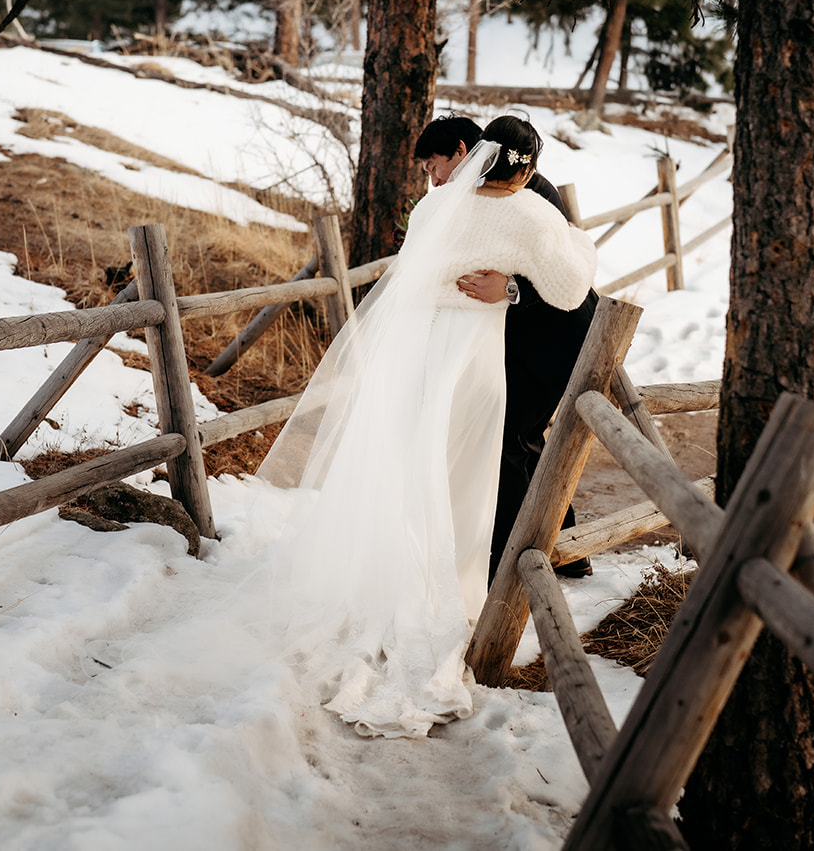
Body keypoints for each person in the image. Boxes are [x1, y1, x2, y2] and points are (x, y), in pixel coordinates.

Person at [255, 127, 596, 738]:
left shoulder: (433, 205)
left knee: (411, 469)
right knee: (463, 476)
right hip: (473, 360)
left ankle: (388, 586)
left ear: (481, 154)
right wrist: (578, 243)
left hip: (417, 351)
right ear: (527, 168)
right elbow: (571, 292)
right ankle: (447, 599)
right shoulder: (532, 215)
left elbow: (414, 277)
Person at [412, 115, 600, 581]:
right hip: (506, 337)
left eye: (434, 165)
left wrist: (511, 288)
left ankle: (527, 556)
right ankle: (559, 548)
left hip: (552, 330)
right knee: (516, 440)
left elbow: (560, 274)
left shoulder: (531, 194)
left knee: (514, 439)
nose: (432, 179)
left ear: (463, 151)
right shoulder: (468, 196)